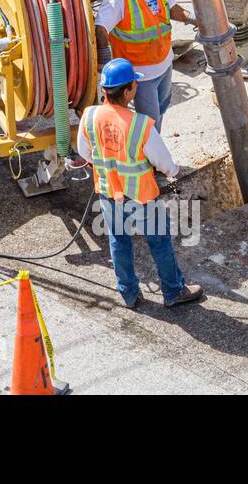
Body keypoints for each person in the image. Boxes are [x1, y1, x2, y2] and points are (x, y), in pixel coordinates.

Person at [77, 58, 205, 310]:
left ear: (104, 90)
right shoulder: (140, 125)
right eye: (134, 84)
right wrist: (173, 172)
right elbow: (165, 163)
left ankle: (129, 294)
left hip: (108, 194)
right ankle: (173, 291)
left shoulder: (90, 117)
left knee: (118, 241)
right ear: (128, 91)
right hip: (142, 197)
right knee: (159, 242)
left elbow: (85, 152)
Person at [94, 0, 198, 131]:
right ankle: (150, 154)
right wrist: (104, 59)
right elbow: (101, 29)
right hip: (141, 74)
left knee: (162, 107)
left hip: (164, 63)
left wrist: (194, 19)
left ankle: (154, 148)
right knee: (149, 123)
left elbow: (171, 8)